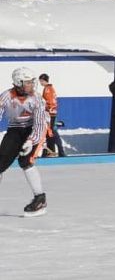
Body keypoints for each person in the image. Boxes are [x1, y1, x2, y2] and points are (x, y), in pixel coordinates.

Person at [0, 67, 49, 217]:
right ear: (18, 83)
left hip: (34, 129)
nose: (31, 85)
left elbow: (40, 124)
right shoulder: (6, 96)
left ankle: (40, 199)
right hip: (15, 129)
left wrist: (31, 141)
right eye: (27, 82)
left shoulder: (38, 99)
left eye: (32, 82)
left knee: (25, 161)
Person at [38, 73, 65, 157]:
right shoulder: (49, 88)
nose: (40, 83)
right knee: (48, 132)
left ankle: (61, 151)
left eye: (41, 81)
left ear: (44, 80)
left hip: (50, 114)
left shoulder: (47, 89)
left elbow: (50, 102)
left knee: (52, 131)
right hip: (50, 113)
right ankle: (49, 151)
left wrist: (44, 106)